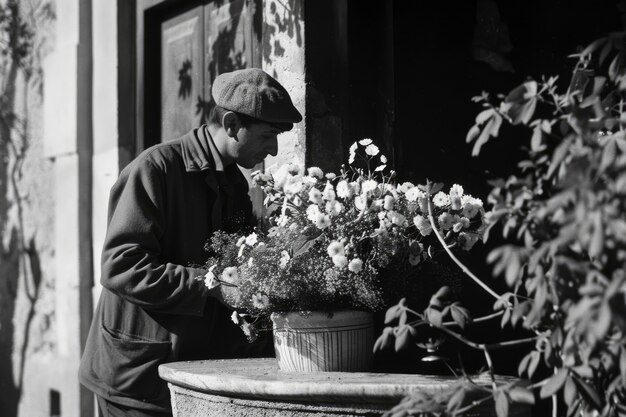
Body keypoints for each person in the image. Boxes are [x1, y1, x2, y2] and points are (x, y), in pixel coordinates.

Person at [79, 68, 302, 417]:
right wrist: (210, 283)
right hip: (133, 382)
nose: (273, 150)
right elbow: (121, 267)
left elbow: (235, 269)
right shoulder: (154, 169)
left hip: (187, 376)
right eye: (268, 136)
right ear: (231, 125)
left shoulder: (235, 186)